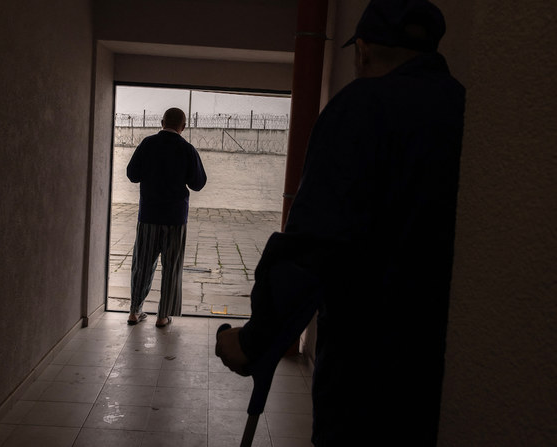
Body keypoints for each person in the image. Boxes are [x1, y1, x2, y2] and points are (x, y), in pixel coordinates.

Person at [215, 0, 466, 445]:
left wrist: (254, 340)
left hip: (367, 365)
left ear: (363, 50)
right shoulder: (464, 106)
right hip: (441, 366)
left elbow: (314, 245)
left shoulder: (363, 105)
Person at [126, 107, 207, 327]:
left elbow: (132, 174)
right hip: (175, 218)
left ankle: (134, 312)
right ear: (183, 126)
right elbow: (198, 183)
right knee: (171, 267)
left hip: (149, 215)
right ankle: (163, 316)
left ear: (162, 122)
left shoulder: (148, 144)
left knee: (142, 263)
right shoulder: (187, 149)